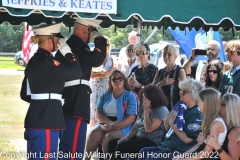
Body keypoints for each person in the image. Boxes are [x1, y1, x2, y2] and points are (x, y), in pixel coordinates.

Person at [20, 23, 82, 159]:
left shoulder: (33, 61)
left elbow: (24, 94)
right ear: (49, 40)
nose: (59, 42)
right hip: (47, 119)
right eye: (57, 39)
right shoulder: (48, 62)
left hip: (35, 118)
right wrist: (68, 54)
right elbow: (77, 72)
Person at [54, 18, 107, 158]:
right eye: (92, 32)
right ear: (85, 30)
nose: (92, 36)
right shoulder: (77, 46)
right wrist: (100, 38)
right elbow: (97, 59)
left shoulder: (69, 45)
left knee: (66, 147)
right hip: (76, 103)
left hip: (66, 101)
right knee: (73, 149)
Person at [138, 78, 204, 160]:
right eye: (180, 92)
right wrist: (167, 122)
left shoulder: (196, 113)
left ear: (193, 94)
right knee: (143, 152)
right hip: (166, 147)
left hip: (178, 151)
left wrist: (172, 124)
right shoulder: (182, 108)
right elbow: (169, 129)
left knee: (151, 158)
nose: (180, 94)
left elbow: (187, 140)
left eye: (183, 92)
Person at [84, 70, 138, 160]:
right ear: (110, 82)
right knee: (93, 134)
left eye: (120, 79)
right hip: (106, 122)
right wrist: (110, 124)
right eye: (114, 80)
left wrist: (115, 126)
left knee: (108, 138)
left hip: (124, 125)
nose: (118, 81)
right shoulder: (104, 95)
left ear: (124, 80)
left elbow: (131, 118)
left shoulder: (130, 96)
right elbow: (98, 113)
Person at [107, 84, 169, 160]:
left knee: (122, 147)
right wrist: (127, 137)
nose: (143, 100)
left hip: (152, 141)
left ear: (153, 98)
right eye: (143, 97)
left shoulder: (161, 109)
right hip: (139, 137)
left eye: (146, 98)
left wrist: (146, 111)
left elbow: (148, 129)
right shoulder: (143, 107)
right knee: (112, 142)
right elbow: (137, 124)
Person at [174, 88, 227, 160]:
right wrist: (182, 156)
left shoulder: (216, 124)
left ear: (206, 103)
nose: (198, 104)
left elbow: (207, 152)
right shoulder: (209, 122)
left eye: (199, 101)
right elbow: (199, 146)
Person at [89, 36, 117, 130]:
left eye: (108, 44)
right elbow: (91, 74)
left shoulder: (112, 58)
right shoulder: (94, 58)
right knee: (94, 112)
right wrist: (104, 74)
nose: (106, 47)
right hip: (95, 89)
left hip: (107, 89)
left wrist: (101, 73)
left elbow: (113, 72)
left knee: (106, 112)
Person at [206, 93, 240, 160]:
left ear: (225, 108)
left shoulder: (235, 132)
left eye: (220, 103)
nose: (217, 105)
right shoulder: (221, 125)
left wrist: (216, 146)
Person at [152, 44, 187, 111]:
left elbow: (185, 92)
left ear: (175, 57)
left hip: (174, 110)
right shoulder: (160, 72)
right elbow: (151, 91)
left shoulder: (180, 71)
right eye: (164, 54)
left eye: (169, 54)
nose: (166, 57)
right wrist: (161, 84)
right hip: (159, 111)